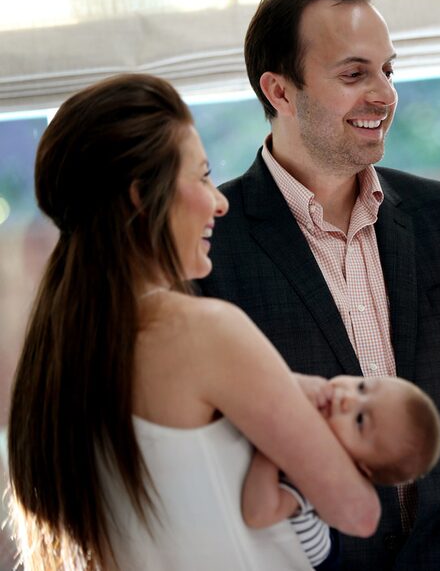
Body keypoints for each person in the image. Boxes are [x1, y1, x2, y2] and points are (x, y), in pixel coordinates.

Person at [197, 0, 440, 570]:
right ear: (280, 91)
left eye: (388, 70)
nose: (384, 94)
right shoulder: (211, 250)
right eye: (355, 74)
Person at [6, 73, 382, 571]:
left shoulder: (56, 356)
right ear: (143, 197)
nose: (219, 200)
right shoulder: (204, 332)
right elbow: (357, 511)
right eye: (202, 176)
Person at [242, 375, 440, 569]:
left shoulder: (317, 484)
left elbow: (258, 513)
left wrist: (271, 440)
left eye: (359, 420)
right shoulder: (317, 411)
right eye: (362, 387)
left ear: (360, 467)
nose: (348, 398)